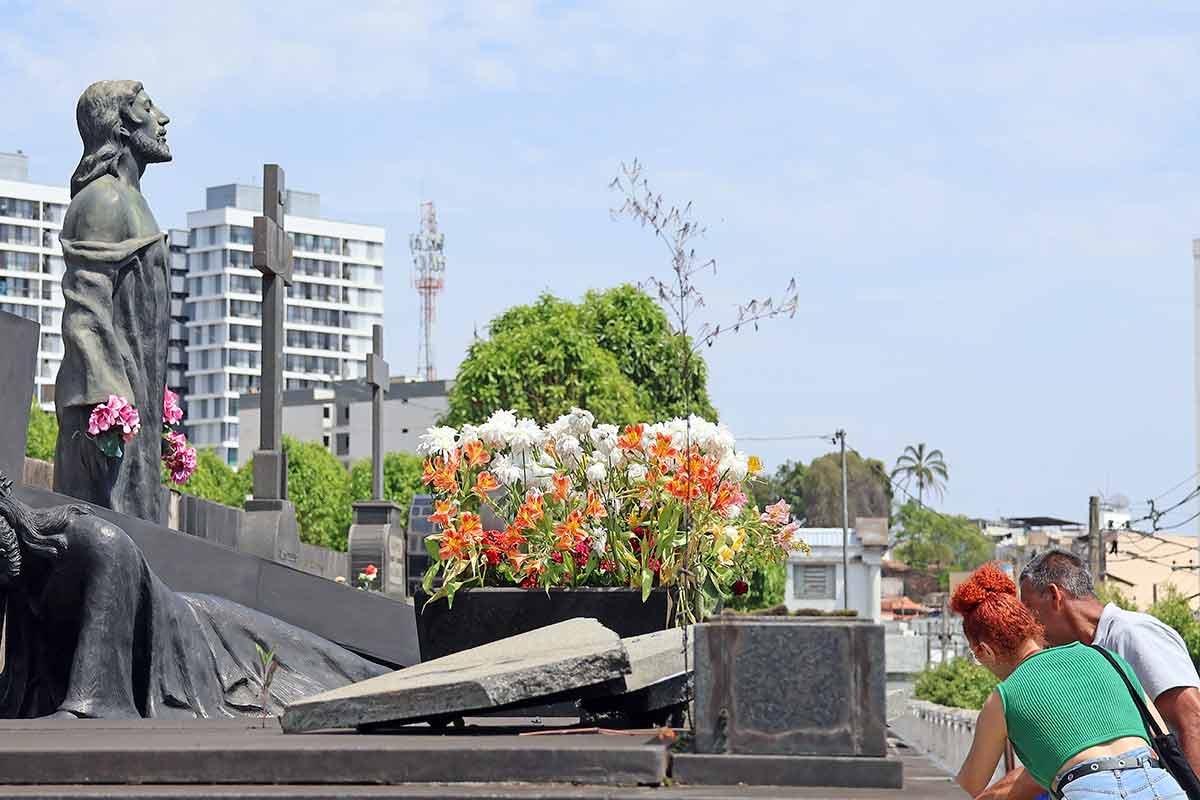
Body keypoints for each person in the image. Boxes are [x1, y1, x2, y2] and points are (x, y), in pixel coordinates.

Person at [0, 471, 386, 718]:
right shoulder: (18, 577)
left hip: (204, 652)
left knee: (335, 679)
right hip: (193, 642)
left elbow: (93, 706)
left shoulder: (98, 545)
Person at [978, 549, 1200, 800]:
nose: (1028, 623)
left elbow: (1193, 720)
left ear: (1054, 596)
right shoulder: (1086, 654)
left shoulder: (1131, 634)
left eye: (1029, 608)